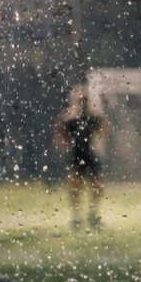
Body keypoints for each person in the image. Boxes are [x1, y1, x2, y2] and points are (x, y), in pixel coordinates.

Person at [54, 84, 112, 230]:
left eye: (84, 100)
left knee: (98, 184)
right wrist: (63, 143)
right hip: (76, 154)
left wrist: (102, 137)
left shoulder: (92, 117)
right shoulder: (70, 119)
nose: (82, 103)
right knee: (75, 185)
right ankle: (77, 215)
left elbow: (106, 129)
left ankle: (92, 212)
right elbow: (60, 132)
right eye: (80, 100)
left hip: (89, 153)